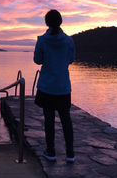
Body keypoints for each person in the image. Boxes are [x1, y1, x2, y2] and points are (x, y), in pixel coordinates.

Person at [33, 9, 75, 162]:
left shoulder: (42, 40)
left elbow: (37, 60)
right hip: (63, 86)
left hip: (47, 86)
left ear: (47, 23)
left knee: (49, 119)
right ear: (61, 22)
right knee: (66, 119)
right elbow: (71, 60)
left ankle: (51, 151)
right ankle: (70, 153)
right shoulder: (69, 41)